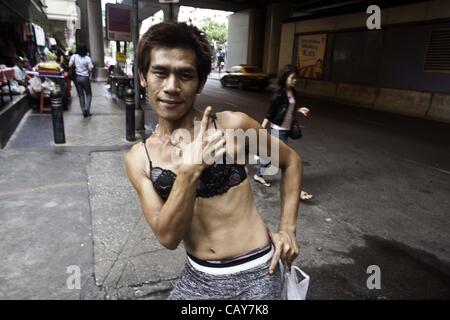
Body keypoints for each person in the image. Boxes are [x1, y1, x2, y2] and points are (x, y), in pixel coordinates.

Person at [125, 21, 303, 300]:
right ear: (143, 76)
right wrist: (189, 172)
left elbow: (290, 162)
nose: (171, 87)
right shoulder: (139, 159)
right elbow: (168, 237)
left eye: (185, 75)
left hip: (257, 271)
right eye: (160, 72)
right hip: (198, 277)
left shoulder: (233, 128)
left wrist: (287, 229)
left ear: (200, 82)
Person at [253, 64, 313, 201]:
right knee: (288, 161)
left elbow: (289, 107)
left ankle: (258, 174)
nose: (295, 80)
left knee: (271, 157)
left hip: (286, 130)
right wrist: (261, 130)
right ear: (285, 78)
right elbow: (270, 113)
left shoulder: (292, 92)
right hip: (278, 130)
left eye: (296, 77)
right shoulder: (278, 94)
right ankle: (295, 191)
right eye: (293, 77)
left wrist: (299, 109)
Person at [69, 44, 94, 118]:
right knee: (89, 94)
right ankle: (87, 109)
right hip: (85, 78)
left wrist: (75, 65)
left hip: (77, 78)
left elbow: (70, 65)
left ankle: (83, 111)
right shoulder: (87, 58)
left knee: (81, 95)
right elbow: (90, 68)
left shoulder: (74, 56)